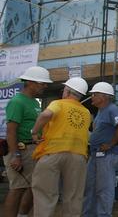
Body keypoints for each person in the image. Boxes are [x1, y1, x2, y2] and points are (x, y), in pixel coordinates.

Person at [31, 77, 92, 217]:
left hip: (52, 153)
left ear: (67, 91)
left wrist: (34, 132)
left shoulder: (58, 103)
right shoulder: (86, 113)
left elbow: (46, 114)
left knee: (45, 195)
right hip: (78, 156)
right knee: (73, 196)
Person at [2, 66, 51, 217]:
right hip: (20, 150)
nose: (45, 86)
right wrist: (15, 155)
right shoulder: (17, 102)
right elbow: (11, 131)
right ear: (30, 82)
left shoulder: (34, 103)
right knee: (17, 188)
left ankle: (22, 215)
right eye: (42, 83)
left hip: (32, 150)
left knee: (32, 187)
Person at [82, 82, 118, 217]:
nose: (92, 97)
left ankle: (103, 214)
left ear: (104, 97)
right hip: (96, 155)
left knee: (104, 188)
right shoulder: (101, 111)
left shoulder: (111, 109)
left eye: (94, 94)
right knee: (90, 187)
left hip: (106, 155)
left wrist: (111, 143)